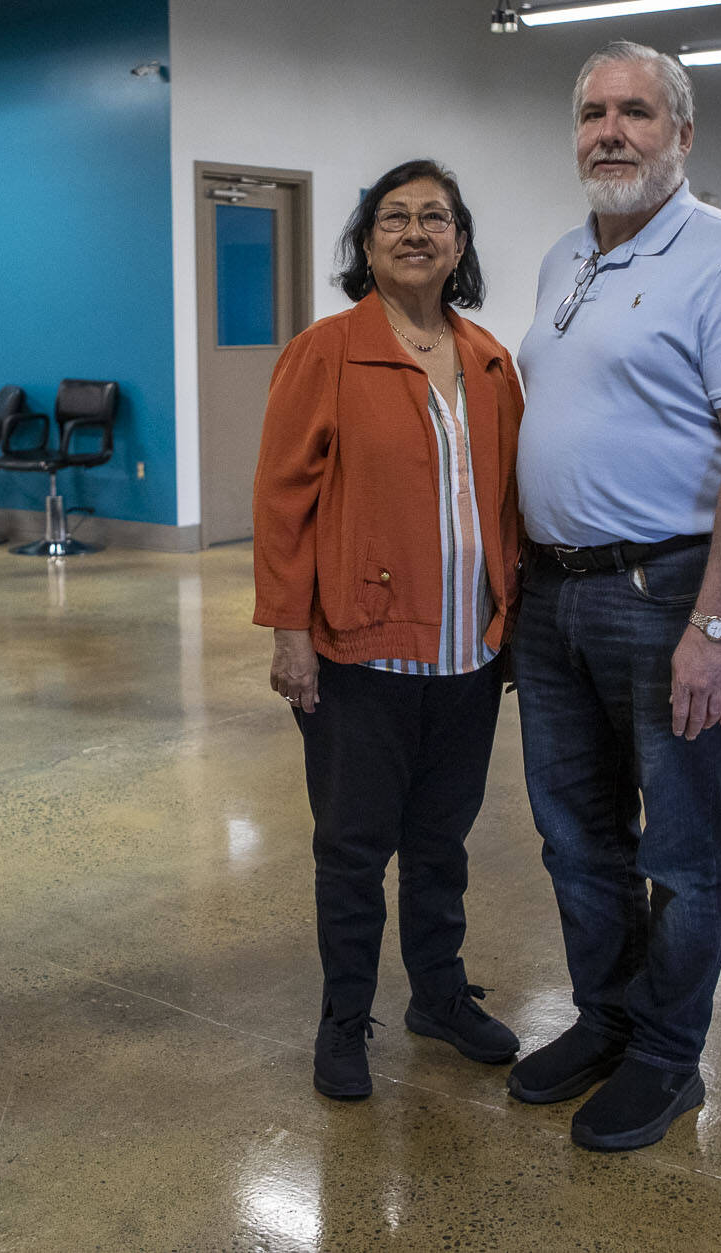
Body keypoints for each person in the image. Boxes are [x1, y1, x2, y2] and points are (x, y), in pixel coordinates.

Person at [507, 42, 721, 1151]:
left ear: (681, 134)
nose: (610, 132)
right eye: (592, 113)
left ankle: (669, 1058)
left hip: (670, 592)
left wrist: (713, 624)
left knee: (676, 846)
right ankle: (606, 1020)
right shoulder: (558, 262)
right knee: (572, 836)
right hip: (554, 597)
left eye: (636, 112)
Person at [253, 159, 526, 1102]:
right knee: (355, 848)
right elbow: (283, 501)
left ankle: (439, 997)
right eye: (395, 218)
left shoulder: (490, 360)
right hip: (359, 652)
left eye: (436, 218)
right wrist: (290, 629)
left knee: (442, 843)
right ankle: (343, 1021)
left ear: (460, 244)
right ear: (366, 245)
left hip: (466, 658)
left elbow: (510, 503)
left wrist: (512, 626)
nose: (417, 232)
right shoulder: (325, 352)